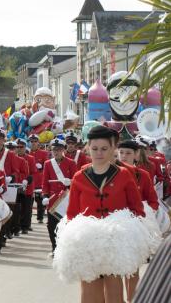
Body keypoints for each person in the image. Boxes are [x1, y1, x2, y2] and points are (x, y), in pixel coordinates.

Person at [66, 126, 145, 303]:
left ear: (112, 149)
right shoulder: (79, 177)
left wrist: (130, 234)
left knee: (114, 294)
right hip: (88, 243)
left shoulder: (124, 175)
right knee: (89, 292)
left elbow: (137, 209)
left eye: (104, 149)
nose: (99, 153)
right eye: (94, 149)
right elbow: (72, 213)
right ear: (87, 148)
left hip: (115, 244)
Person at [117, 139, 159, 302]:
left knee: (132, 270)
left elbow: (153, 200)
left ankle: (133, 300)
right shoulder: (109, 173)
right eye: (121, 153)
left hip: (135, 229)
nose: (124, 156)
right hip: (113, 228)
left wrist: (147, 212)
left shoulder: (143, 175)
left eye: (128, 153)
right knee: (113, 271)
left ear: (136, 155)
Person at [41, 138, 76, 254]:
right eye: (54, 149)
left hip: (66, 199)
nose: (56, 152)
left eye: (59, 149)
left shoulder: (71, 163)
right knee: (51, 226)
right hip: (53, 199)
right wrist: (45, 195)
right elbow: (45, 182)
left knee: (66, 225)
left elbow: (76, 181)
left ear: (63, 150)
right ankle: (54, 248)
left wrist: (70, 182)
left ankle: (65, 248)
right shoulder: (48, 163)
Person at [14, 138, 35, 234]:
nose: (19, 149)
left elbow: (33, 173)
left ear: (25, 147)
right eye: (17, 147)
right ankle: (16, 227)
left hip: (27, 186)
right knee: (17, 208)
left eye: (21, 147)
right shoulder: (13, 158)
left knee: (26, 208)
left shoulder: (30, 158)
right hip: (16, 187)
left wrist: (28, 180)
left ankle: (25, 226)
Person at [28, 134, 49, 223]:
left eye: (35, 141)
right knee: (29, 202)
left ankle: (40, 218)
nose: (33, 143)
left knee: (40, 202)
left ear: (38, 143)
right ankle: (27, 220)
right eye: (31, 141)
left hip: (39, 181)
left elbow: (47, 166)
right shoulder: (26, 152)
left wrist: (41, 167)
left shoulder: (44, 153)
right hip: (29, 181)